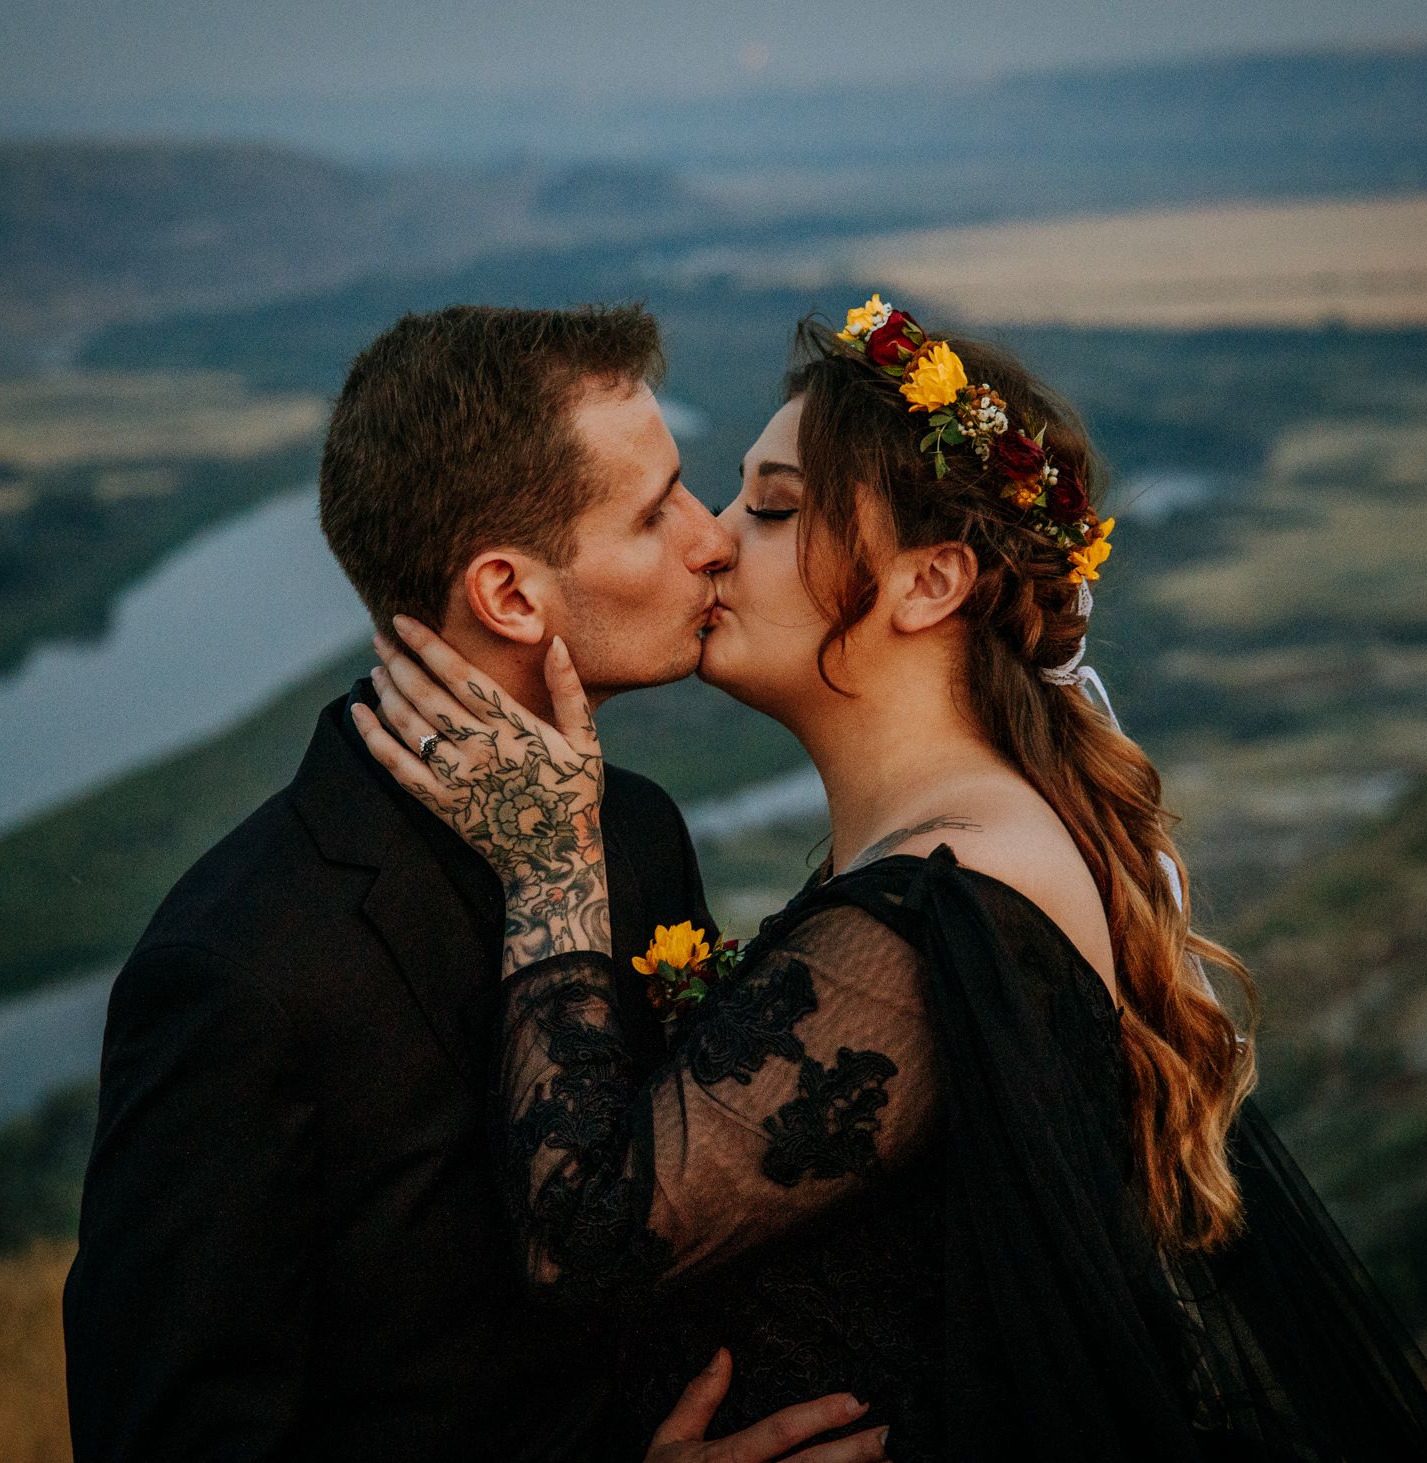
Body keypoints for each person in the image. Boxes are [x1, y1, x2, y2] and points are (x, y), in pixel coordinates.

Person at [355, 298, 1427, 1460]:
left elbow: (583, 1237)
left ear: (927, 583)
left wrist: (551, 874)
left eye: (771, 506)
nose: (712, 540)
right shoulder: (956, 851)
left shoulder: (933, 907)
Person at [63, 304, 885, 1463]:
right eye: (655, 513)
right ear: (509, 596)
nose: (711, 540)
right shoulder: (239, 967)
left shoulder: (634, 829)